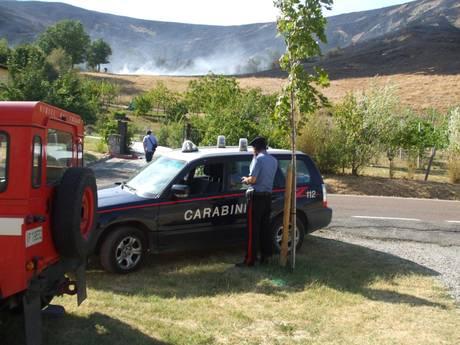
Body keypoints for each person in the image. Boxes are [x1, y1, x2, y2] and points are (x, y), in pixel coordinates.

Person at [237, 136, 278, 267]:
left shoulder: (258, 160)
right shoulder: (273, 160)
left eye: (253, 148)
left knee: (252, 230)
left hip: (256, 198)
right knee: (265, 229)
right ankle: (266, 257)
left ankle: (250, 260)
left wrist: (245, 179)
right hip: (267, 198)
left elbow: (253, 180)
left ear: (255, 148)